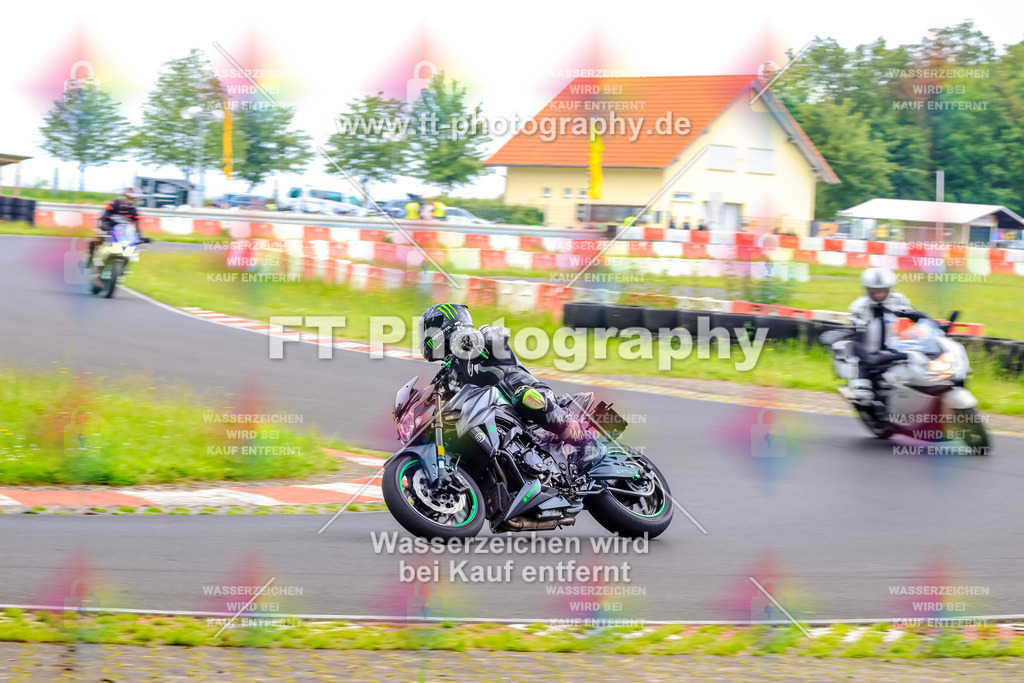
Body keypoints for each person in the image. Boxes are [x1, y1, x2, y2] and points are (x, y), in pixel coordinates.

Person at [419, 303, 594, 449]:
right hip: (497, 418)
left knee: (525, 397)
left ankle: (579, 437)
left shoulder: (481, 340)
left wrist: (476, 338)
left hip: (530, 396)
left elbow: (498, 334)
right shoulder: (450, 376)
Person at [846, 267, 928, 401]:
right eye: (874, 292)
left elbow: (915, 315)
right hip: (867, 355)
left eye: (883, 291)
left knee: (916, 374)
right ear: (867, 290)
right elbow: (857, 339)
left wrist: (934, 324)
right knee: (863, 396)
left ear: (890, 289)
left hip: (890, 350)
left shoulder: (897, 300)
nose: (879, 295)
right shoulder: (859, 308)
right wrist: (867, 357)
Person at [87, 186, 150, 265]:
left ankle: (124, 265)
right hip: (108, 226)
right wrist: (103, 227)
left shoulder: (134, 211)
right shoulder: (113, 204)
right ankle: (90, 258)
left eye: (134, 199)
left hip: (123, 231)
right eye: (129, 198)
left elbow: (137, 226)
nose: (131, 200)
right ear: (124, 196)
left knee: (131, 247)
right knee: (96, 240)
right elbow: (103, 218)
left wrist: (140, 237)